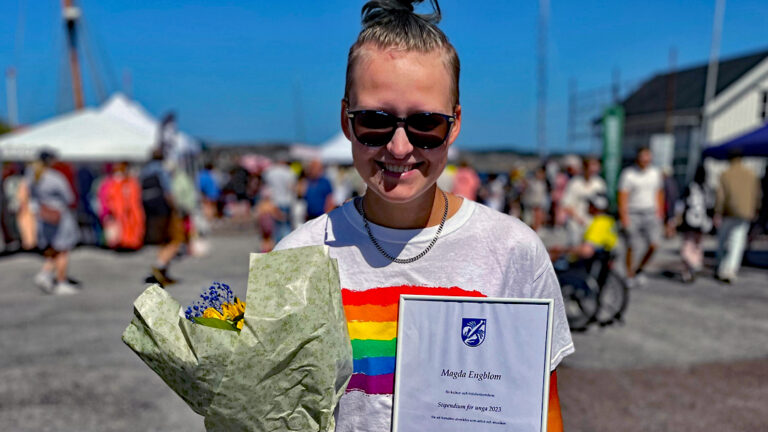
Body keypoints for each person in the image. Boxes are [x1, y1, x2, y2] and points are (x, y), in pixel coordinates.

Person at [274, 2, 573, 430]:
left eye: (426, 124)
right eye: (375, 121)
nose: (399, 147)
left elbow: (544, 411)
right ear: (346, 120)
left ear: (454, 124)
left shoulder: (513, 251)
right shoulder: (297, 256)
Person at [27, 151, 80, 295]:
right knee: (63, 250)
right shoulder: (55, 177)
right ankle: (61, 282)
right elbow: (69, 197)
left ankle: (45, 274)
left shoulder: (32, 177)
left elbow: (32, 197)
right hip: (59, 216)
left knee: (52, 248)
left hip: (44, 216)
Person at [618, 146, 664, 286]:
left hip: (651, 212)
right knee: (632, 245)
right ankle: (629, 274)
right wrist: (624, 216)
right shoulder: (629, 174)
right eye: (643, 156)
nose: (645, 159)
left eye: (648, 156)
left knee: (654, 244)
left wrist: (660, 212)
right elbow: (623, 196)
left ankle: (639, 269)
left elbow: (659, 193)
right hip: (633, 212)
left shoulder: (655, 173)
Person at [714, 152, 760, 283]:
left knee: (723, 240)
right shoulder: (751, 174)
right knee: (737, 242)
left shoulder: (726, 174)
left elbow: (720, 196)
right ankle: (730, 269)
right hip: (745, 212)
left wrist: (718, 211)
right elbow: (756, 194)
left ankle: (721, 266)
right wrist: (755, 209)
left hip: (728, 212)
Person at [141, 149, 184, 286]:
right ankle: (159, 267)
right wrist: (176, 207)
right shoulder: (161, 170)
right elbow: (168, 191)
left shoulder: (144, 171)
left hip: (150, 211)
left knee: (162, 241)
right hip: (163, 209)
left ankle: (163, 272)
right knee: (174, 239)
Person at [677, 165, 714, 283]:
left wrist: (677, 218)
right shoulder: (706, 189)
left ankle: (691, 267)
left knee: (689, 245)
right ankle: (693, 265)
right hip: (700, 221)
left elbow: (681, 204)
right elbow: (710, 207)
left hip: (691, 221)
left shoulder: (692, 187)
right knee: (696, 246)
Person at [98, 162, 145, 250]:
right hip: (120, 212)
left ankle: (130, 242)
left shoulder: (128, 182)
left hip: (127, 211)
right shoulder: (114, 183)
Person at [562, 156, 606, 246]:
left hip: (592, 224)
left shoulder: (599, 184)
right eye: (591, 166)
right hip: (575, 223)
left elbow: (602, 206)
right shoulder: (574, 183)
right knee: (575, 247)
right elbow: (566, 205)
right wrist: (579, 219)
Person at [262, 158, 297, 242]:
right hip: (287, 201)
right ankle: (287, 243)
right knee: (286, 225)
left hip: (274, 201)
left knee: (276, 227)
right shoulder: (289, 171)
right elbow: (292, 187)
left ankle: (278, 244)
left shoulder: (269, 171)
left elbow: (266, 188)